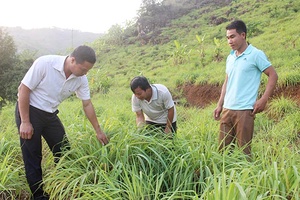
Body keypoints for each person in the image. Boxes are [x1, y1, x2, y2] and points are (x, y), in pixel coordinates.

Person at [15, 45, 109, 200]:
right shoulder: (45, 63)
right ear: (72, 60)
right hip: (29, 110)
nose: (85, 73)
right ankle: (39, 196)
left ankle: (65, 184)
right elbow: (23, 89)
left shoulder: (81, 79)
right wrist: (25, 121)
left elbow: (87, 104)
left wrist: (98, 131)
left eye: (88, 71)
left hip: (50, 114)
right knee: (33, 155)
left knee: (64, 150)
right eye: (84, 69)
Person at [213, 20, 278, 158]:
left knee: (244, 153)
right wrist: (220, 104)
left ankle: (246, 178)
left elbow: (273, 75)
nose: (230, 41)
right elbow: (227, 81)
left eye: (233, 36)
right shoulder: (230, 57)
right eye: (228, 38)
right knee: (222, 152)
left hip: (244, 110)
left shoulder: (255, 54)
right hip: (227, 109)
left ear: (243, 35)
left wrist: (263, 99)